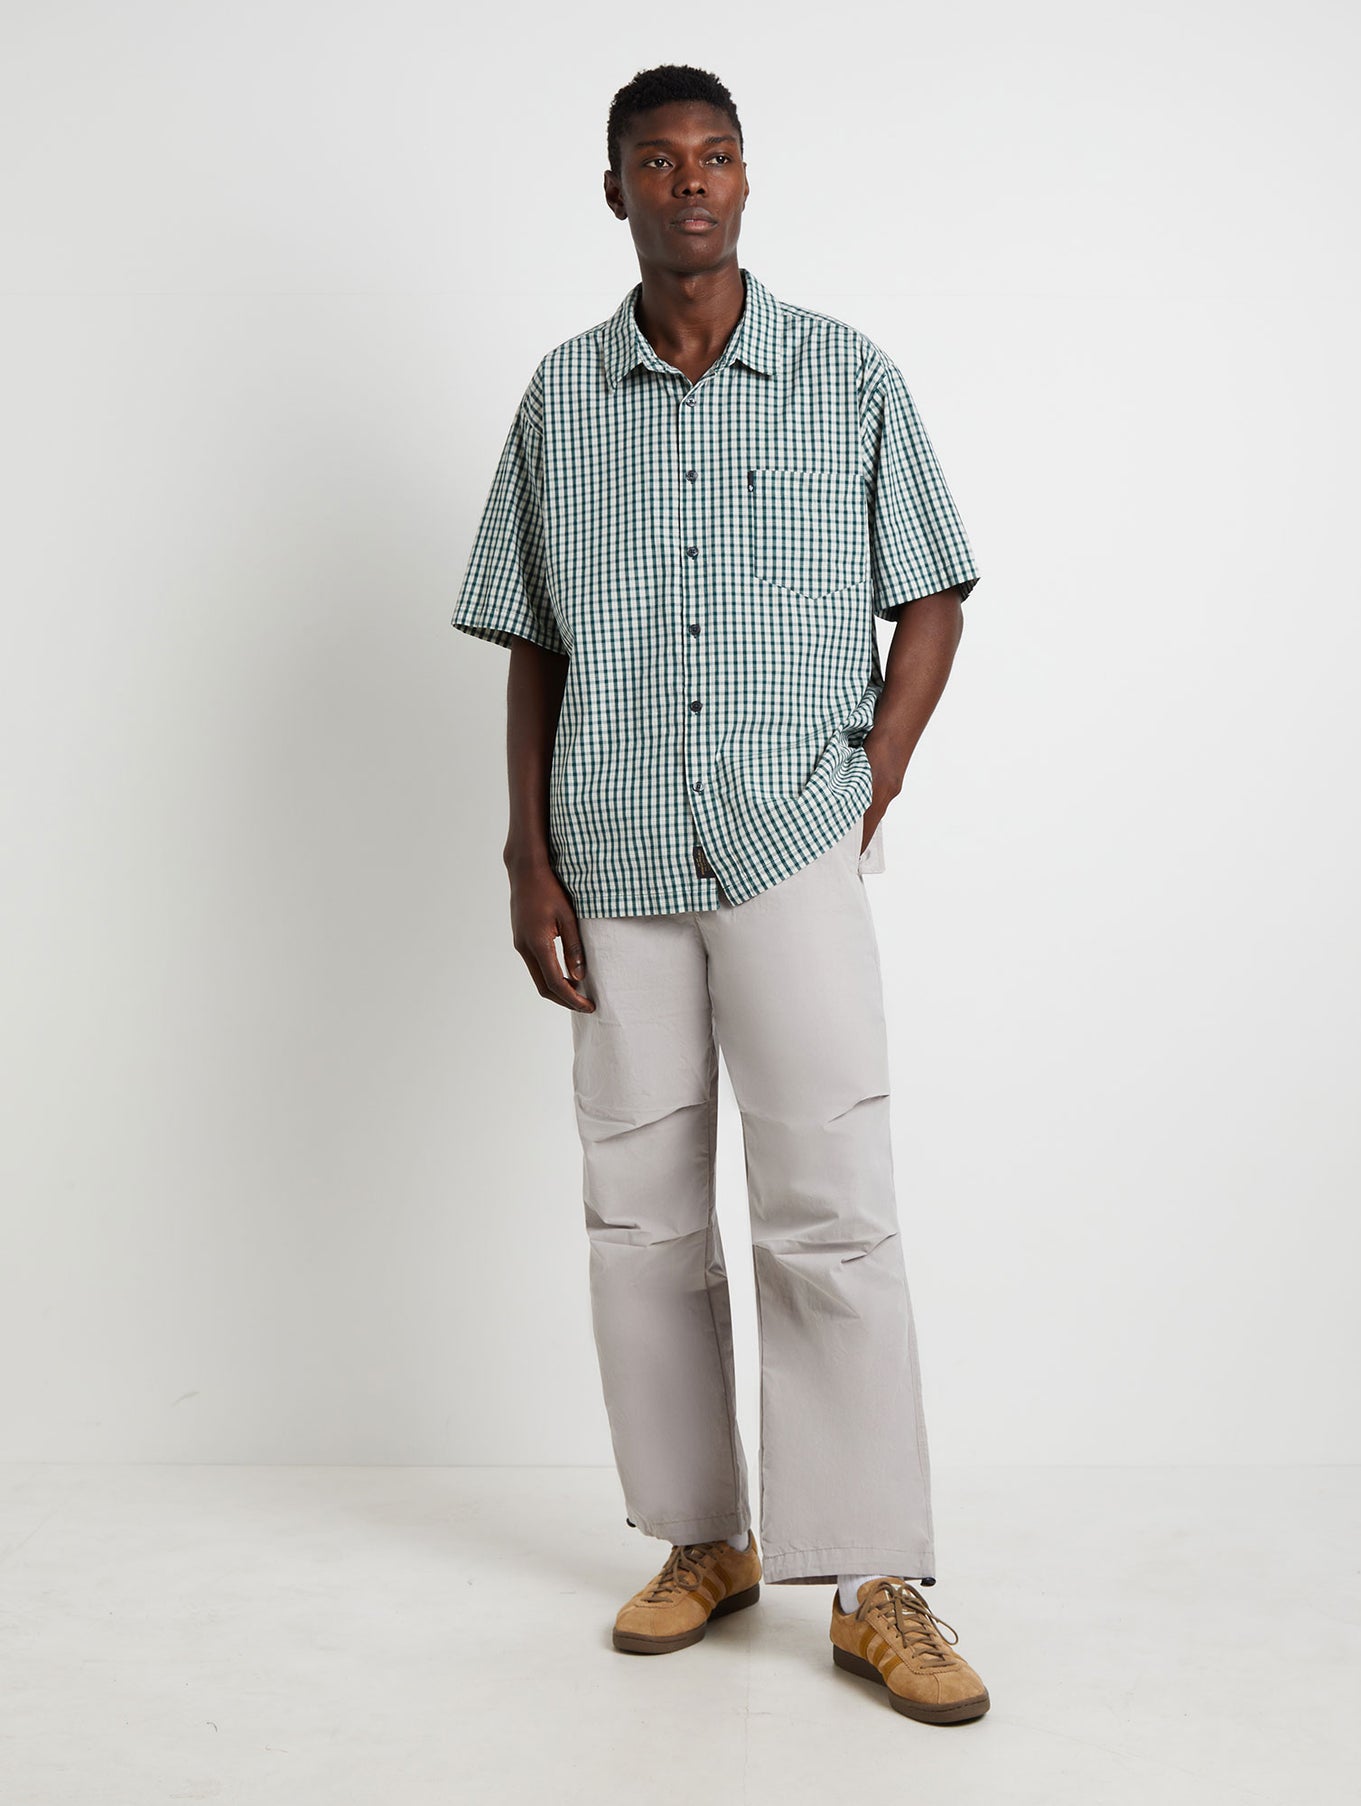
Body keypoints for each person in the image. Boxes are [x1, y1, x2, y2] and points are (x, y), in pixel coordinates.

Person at [450, 62, 990, 1727]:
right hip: (610, 850)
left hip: (786, 840)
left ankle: (875, 1578)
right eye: (658, 161)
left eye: (717, 157)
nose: (690, 182)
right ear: (614, 190)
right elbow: (532, 638)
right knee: (639, 1216)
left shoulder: (844, 376)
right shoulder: (562, 397)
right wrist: (527, 852)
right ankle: (704, 1536)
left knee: (831, 1202)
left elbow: (933, 593)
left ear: (747, 183)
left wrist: (873, 774)